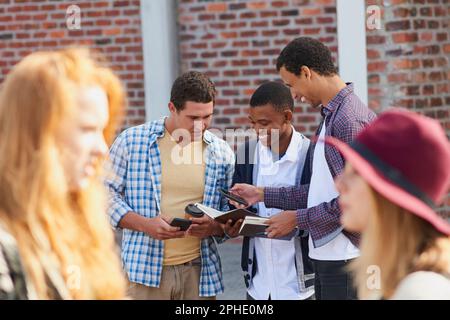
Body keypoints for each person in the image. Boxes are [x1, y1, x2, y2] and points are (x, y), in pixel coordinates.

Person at [230, 37, 377, 299]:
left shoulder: (348, 121)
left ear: (306, 73)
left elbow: (359, 201)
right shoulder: (333, 116)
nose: (294, 94)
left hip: (345, 261)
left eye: (291, 84)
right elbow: (317, 192)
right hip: (328, 257)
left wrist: (297, 218)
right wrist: (262, 194)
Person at [0, 48, 127, 299]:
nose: (102, 149)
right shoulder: (6, 247)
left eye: (103, 131)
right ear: (37, 134)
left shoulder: (80, 223)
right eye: (87, 130)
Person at [107, 71, 235, 300]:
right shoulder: (132, 141)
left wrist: (214, 228)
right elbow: (103, 194)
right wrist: (145, 225)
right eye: (193, 118)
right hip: (144, 274)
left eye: (207, 116)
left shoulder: (221, 152)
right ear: (172, 108)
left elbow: (227, 214)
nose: (202, 125)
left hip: (200, 275)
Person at [329, 109, 450, 299]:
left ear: (387, 194)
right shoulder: (379, 268)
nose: (339, 184)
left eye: (355, 173)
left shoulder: (421, 290)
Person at [226, 81, 315, 300]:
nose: (257, 130)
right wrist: (234, 216)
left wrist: (295, 223)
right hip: (258, 288)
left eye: (265, 123)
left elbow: (320, 211)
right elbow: (236, 205)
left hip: (300, 289)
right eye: (253, 122)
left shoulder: (310, 154)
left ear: (287, 117)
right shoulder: (247, 152)